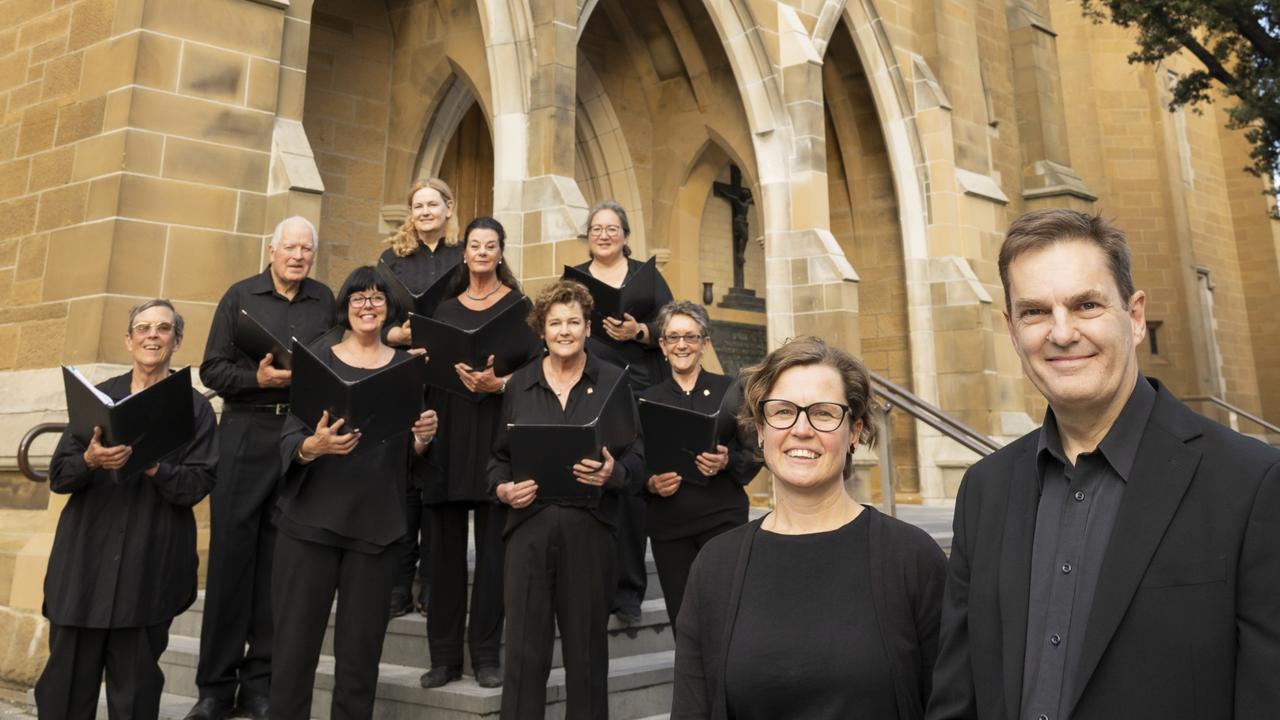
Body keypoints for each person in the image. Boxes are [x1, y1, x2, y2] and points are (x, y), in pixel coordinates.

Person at [926, 209, 1280, 720]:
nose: (1062, 332)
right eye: (1034, 312)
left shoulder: (1251, 483)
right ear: (1011, 328)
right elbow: (958, 694)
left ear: (1135, 317)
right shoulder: (986, 489)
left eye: (1086, 305)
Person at [672, 336, 947, 720]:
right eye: (783, 412)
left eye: (823, 413)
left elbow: (950, 704)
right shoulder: (716, 566)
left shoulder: (912, 558)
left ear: (854, 432)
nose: (801, 429)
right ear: (761, 430)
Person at [36, 299, 218, 720]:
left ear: (177, 341)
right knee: (63, 691)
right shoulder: (99, 399)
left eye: (163, 328)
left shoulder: (195, 409)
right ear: (129, 339)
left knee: (134, 697)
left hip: (148, 565)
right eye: (143, 327)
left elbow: (198, 484)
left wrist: (152, 465)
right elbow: (60, 476)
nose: (152, 335)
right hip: (85, 564)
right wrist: (91, 460)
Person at [270, 266, 438, 720]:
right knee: (292, 655)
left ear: (389, 309)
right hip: (309, 522)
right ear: (345, 308)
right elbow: (289, 440)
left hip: (375, 529)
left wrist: (422, 437)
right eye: (359, 298)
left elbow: (412, 459)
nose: (369, 305)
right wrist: (314, 446)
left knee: (360, 661)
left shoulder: (407, 369)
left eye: (377, 297)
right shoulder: (318, 359)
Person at [186, 216, 336, 720]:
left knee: (281, 563)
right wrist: (260, 378)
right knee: (231, 559)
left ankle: (261, 684)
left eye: (306, 249)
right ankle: (213, 687)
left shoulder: (325, 301)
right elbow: (211, 369)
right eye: (289, 248)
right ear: (271, 250)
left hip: (297, 437)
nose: (298, 256)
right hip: (246, 431)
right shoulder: (240, 296)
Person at [489, 279, 646, 720]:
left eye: (573, 322)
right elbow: (498, 460)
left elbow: (637, 459)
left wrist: (614, 472)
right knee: (523, 653)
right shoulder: (519, 385)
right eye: (555, 322)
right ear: (542, 330)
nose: (564, 331)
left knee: (587, 655)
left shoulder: (614, 382)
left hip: (590, 529)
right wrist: (503, 489)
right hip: (529, 529)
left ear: (587, 327)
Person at [417, 217, 539, 690]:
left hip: (495, 430)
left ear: (500, 253)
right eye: (475, 245)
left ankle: (486, 654)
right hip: (447, 428)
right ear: (464, 254)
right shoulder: (444, 310)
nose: (482, 252)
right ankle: (443, 658)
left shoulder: (520, 308)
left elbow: (536, 373)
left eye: (491, 245)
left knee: (493, 553)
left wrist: (499, 383)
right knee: (442, 555)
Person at [574, 200, 673, 623]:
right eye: (596, 228)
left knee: (630, 487)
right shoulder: (577, 282)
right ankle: (590, 586)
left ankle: (629, 592)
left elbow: (672, 324)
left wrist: (641, 331)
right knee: (590, 480)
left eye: (612, 228)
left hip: (637, 388)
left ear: (626, 236)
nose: (604, 234)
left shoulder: (646, 277)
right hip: (590, 389)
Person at [639, 300, 760, 627]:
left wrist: (726, 461)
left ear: (705, 343)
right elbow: (634, 459)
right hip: (669, 527)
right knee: (684, 619)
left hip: (722, 520)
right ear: (662, 345)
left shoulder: (732, 391)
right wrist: (650, 482)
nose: (682, 345)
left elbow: (754, 453)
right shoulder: (646, 399)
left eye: (691, 337)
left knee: (729, 616)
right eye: (673, 337)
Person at [379, 177, 463, 617]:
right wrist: (396, 333)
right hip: (403, 375)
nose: (426, 211)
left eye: (434, 204)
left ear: (449, 208)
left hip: (449, 379)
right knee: (403, 479)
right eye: (418, 205)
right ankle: (397, 583)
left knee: (437, 478)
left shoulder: (465, 255)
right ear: (411, 213)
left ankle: (432, 581)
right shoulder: (391, 259)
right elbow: (370, 314)